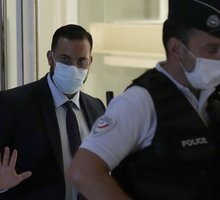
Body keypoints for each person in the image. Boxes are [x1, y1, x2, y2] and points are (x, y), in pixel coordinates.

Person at [67, 0, 220, 199]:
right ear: (176, 49)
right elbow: (83, 173)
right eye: (211, 50)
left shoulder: (210, 98)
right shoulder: (140, 101)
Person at [0, 24, 105, 200]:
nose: (73, 68)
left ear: (90, 61)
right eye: (65, 59)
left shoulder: (97, 107)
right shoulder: (12, 104)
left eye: (81, 61)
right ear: (50, 57)